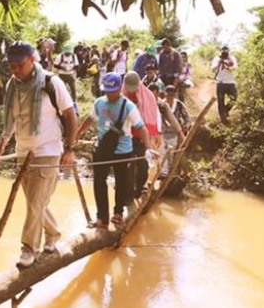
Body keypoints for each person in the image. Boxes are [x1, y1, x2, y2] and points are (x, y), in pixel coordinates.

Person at [0, 41, 78, 268]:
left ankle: (29, 249)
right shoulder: (13, 84)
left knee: (35, 203)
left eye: (19, 64)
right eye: (10, 65)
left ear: (32, 59)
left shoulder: (51, 82)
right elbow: (11, 118)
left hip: (47, 151)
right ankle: (54, 232)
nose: (15, 69)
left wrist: (69, 149)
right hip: (23, 151)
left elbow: (70, 115)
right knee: (34, 202)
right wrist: (2, 145)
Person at [77, 73, 152, 228]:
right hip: (102, 147)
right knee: (99, 182)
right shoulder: (99, 103)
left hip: (122, 151)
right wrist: (77, 134)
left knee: (121, 182)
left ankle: (118, 212)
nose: (109, 94)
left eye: (112, 91)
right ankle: (102, 217)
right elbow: (90, 119)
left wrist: (148, 148)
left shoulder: (128, 106)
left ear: (120, 88)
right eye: (107, 91)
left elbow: (141, 127)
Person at [122, 71, 161, 200]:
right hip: (126, 137)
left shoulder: (148, 96)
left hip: (141, 137)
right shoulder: (121, 95)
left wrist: (153, 137)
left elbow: (153, 116)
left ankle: (139, 190)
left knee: (143, 167)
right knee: (127, 168)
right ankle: (127, 195)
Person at [158, 85, 186, 177]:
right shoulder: (161, 104)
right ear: (165, 94)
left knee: (171, 154)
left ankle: (170, 173)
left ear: (175, 95)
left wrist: (186, 125)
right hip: (162, 133)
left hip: (173, 134)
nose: (170, 97)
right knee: (161, 154)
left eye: (172, 95)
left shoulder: (179, 105)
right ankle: (162, 173)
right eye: (168, 95)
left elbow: (186, 117)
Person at [211, 45, 238, 124]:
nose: (225, 53)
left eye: (226, 51)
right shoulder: (217, 59)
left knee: (234, 98)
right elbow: (213, 69)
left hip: (230, 82)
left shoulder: (232, 58)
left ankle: (226, 110)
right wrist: (219, 63)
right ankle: (222, 119)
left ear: (229, 51)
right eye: (223, 51)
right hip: (220, 82)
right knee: (220, 101)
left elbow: (235, 67)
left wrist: (228, 67)